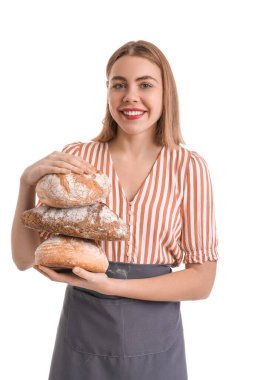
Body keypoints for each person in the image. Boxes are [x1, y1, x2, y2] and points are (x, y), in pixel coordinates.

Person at [11, 40, 219, 380]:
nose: (130, 97)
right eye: (118, 84)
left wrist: (111, 286)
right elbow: (25, 259)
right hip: (84, 333)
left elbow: (202, 280)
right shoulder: (78, 159)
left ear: (166, 93)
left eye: (145, 84)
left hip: (157, 339)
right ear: (107, 92)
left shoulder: (188, 167)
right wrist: (26, 185)